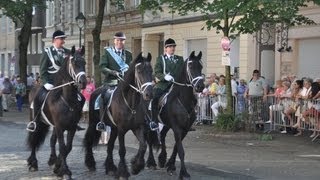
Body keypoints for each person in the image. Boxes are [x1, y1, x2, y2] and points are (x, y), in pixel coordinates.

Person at [26, 30, 84, 131]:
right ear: (54, 40)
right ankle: (34, 121)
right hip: (51, 83)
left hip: (65, 83)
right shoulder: (47, 52)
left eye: (63, 39)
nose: (63, 41)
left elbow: (73, 64)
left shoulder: (67, 52)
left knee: (81, 98)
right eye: (61, 39)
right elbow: (43, 69)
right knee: (37, 98)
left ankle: (75, 120)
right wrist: (46, 82)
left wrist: (78, 53)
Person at [96, 32, 133, 131]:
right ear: (114, 41)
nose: (120, 42)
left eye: (122, 40)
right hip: (111, 81)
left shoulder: (129, 54)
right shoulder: (108, 52)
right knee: (104, 96)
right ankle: (102, 121)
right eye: (118, 40)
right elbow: (102, 67)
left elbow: (131, 69)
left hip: (125, 82)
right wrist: (111, 72)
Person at [151, 38, 184, 131]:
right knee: (154, 98)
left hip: (177, 85)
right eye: (170, 47)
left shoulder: (180, 59)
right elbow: (157, 72)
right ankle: (154, 121)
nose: (172, 48)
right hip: (164, 85)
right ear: (166, 48)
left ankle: (188, 119)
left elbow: (183, 72)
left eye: (173, 46)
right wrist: (164, 77)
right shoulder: (160, 59)